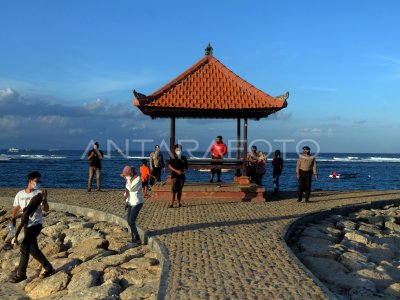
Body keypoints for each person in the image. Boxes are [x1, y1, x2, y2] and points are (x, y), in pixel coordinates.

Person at [10, 171, 55, 283]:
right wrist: (13, 217)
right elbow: (16, 207)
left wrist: (44, 201)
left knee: (24, 246)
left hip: (36, 224)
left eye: (39, 181)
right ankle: (49, 267)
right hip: (26, 225)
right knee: (33, 250)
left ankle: (21, 273)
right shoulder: (20, 194)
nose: (38, 183)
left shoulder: (39, 194)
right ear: (30, 181)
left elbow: (46, 209)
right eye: (36, 181)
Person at [120, 166, 143, 245]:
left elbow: (131, 189)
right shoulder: (129, 179)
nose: (126, 176)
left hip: (137, 202)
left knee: (131, 221)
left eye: (126, 175)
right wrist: (126, 201)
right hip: (130, 202)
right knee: (129, 221)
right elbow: (127, 191)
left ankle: (136, 239)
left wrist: (127, 180)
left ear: (131, 173)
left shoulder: (138, 179)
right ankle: (134, 238)